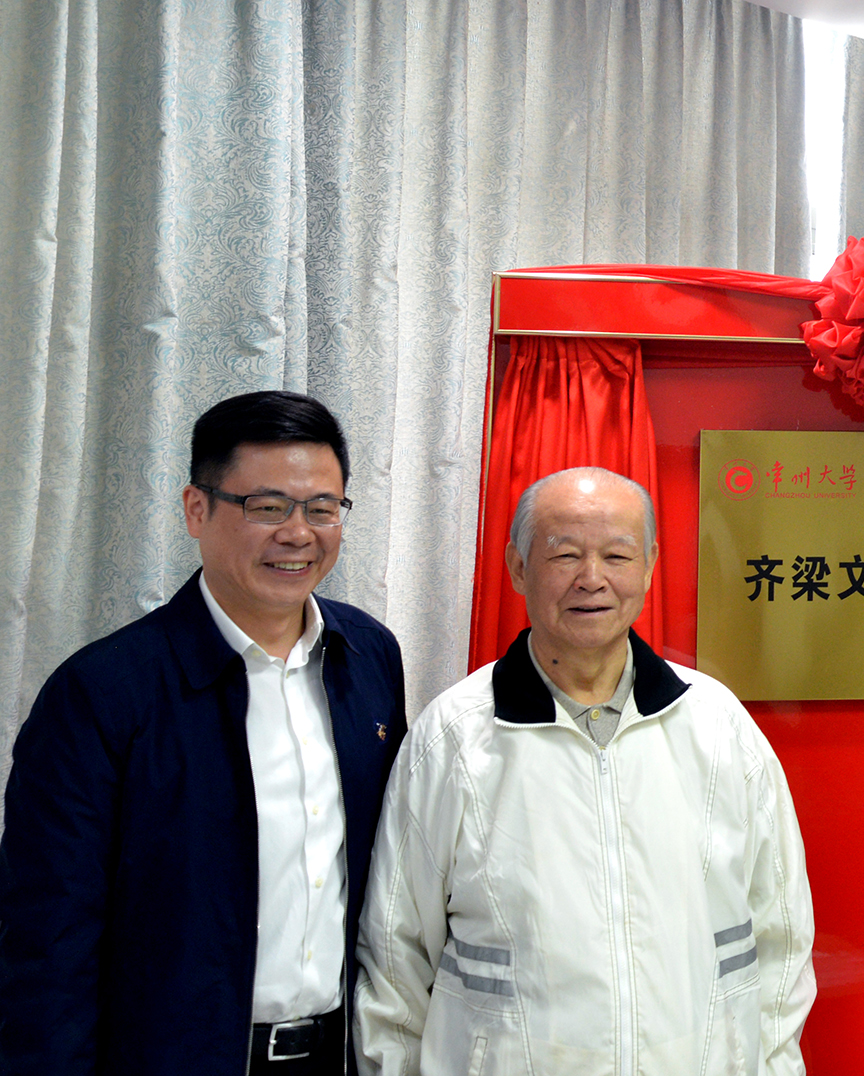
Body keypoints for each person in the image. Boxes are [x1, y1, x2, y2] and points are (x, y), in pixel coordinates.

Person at [0, 390, 407, 1075]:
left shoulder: (369, 658)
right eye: (267, 507)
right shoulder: (103, 692)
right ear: (197, 509)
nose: (298, 534)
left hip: (337, 1053)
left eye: (322, 508)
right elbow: (48, 942)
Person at [356, 466, 815, 1074]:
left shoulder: (718, 726)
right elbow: (395, 958)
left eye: (617, 556)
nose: (592, 579)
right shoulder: (454, 738)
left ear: (649, 566)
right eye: (565, 554)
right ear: (518, 567)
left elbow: (782, 939)